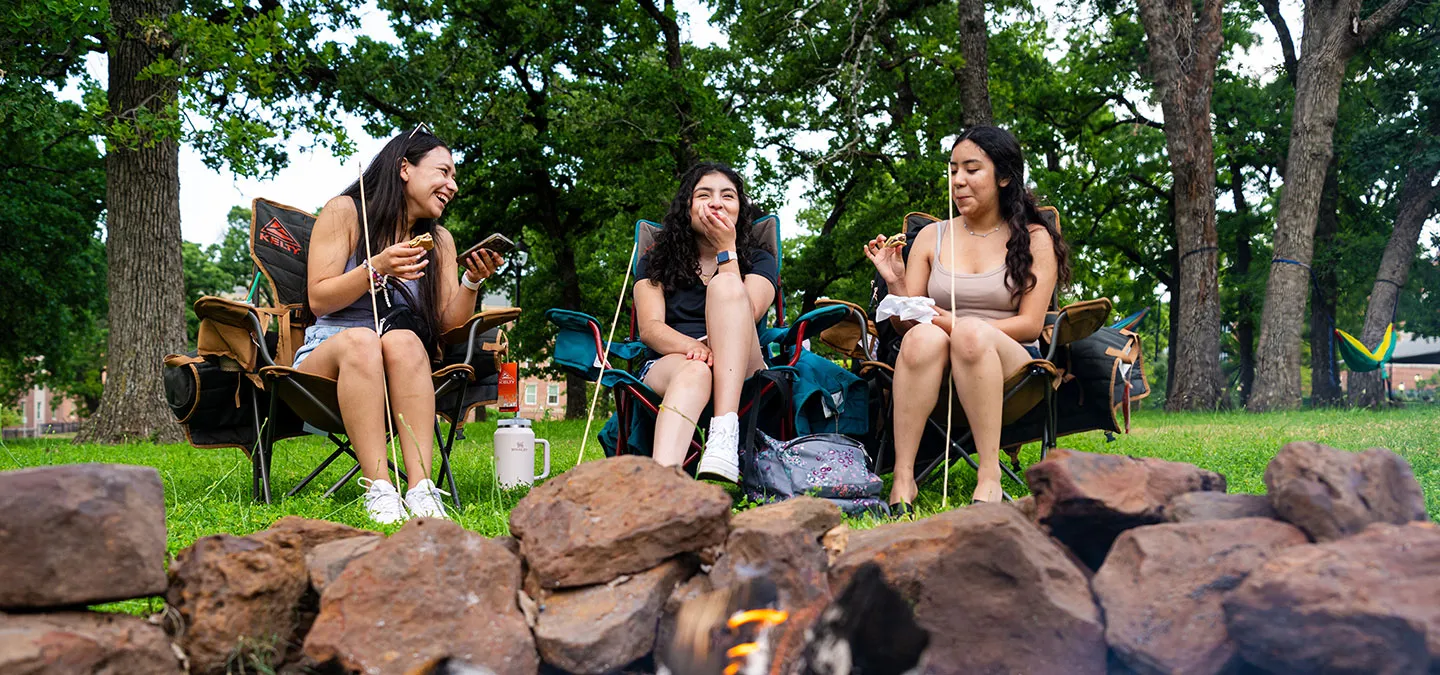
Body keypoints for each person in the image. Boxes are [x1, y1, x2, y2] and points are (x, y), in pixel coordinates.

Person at [292, 125, 506, 524]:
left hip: (400, 364)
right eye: (443, 172)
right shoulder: (346, 211)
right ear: (405, 168)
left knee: (406, 341)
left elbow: (447, 324)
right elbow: (319, 299)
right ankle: (379, 489)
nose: (452, 185)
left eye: (454, 177)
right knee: (362, 340)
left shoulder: (439, 241)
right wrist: (377, 267)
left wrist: (471, 281)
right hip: (329, 360)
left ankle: (421, 489)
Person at [864, 126, 1071, 512]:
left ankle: (989, 475)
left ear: (1003, 176)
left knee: (971, 335)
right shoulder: (931, 237)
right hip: (934, 368)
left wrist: (956, 324)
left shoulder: (1035, 238)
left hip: (1012, 367)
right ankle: (903, 479)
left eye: (972, 170)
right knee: (921, 338)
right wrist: (895, 282)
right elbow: (907, 323)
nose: (958, 180)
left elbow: (1030, 325)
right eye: (953, 170)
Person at [634, 162, 779, 480]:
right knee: (696, 370)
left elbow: (749, 312)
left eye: (727, 196)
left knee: (727, 285)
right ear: (687, 207)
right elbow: (650, 328)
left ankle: (723, 439)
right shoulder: (656, 260)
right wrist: (695, 348)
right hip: (675, 360)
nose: (716, 203)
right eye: (704, 195)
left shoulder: (760, 258)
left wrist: (727, 251)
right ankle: (661, 485)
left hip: (744, 365)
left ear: (740, 209)